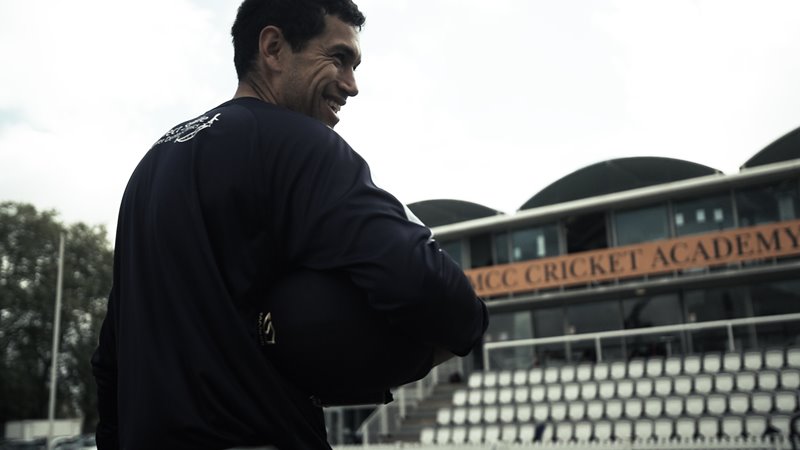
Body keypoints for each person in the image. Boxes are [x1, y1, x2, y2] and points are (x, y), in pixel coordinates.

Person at [91, 0, 488, 449]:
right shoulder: (302, 144)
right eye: (339, 58)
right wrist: (447, 338)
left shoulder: (150, 167)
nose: (352, 86)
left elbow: (111, 358)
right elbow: (426, 286)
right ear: (274, 48)